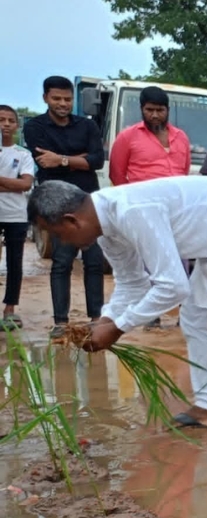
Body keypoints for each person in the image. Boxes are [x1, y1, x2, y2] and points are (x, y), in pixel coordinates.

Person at [28, 177, 207, 465]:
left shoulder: (133, 211)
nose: (60, 242)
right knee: (195, 316)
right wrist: (105, 319)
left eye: (56, 233)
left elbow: (172, 287)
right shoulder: (106, 229)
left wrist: (118, 327)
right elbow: (132, 283)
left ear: (72, 220)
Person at [22, 75, 106, 339]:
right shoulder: (34, 126)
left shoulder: (88, 126)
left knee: (94, 262)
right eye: (56, 98)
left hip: (89, 202)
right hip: (56, 206)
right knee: (61, 261)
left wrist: (62, 159)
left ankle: (96, 318)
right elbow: (44, 161)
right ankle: (61, 322)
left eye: (68, 99)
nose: (63, 104)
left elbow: (97, 161)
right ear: (45, 97)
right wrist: (78, 159)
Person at [108, 85, 192, 330]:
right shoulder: (128, 137)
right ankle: (151, 317)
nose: (155, 115)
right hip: (144, 212)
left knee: (181, 260)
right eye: (150, 110)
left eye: (160, 110)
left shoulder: (181, 137)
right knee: (150, 264)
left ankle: (184, 316)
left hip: (177, 211)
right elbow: (117, 175)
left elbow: (184, 171)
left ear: (168, 110)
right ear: (142, 109)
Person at [0, 105, 34, 331]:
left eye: (11, 120)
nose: (6, 124)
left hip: (16, 215)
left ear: (17, 125)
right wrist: (12, 184)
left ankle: (10, 309)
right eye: (1, 120)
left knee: (15, 263)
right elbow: (19, 184)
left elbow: (26, 184)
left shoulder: (24, 154)